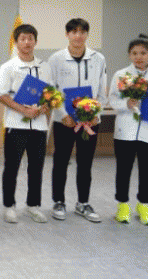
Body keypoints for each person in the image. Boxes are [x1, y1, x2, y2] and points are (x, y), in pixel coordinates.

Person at [48, 18, 107, 223]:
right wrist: (62, 114)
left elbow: (101, 90)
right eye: (74, 32)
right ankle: (58, 201)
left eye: (82, 32)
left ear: (87, 35)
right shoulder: (56, 59)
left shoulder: (98, 58)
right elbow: (51, 90)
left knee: (85, 163)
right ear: (67, 34)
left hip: (90, 122)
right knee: (60, 162)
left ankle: (83, 203)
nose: (78, 36)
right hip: (65, 121)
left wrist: (95, 114)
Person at [0, 24, 51, 224]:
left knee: (36, 168)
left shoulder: (45, 66)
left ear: (35, 41)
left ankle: (33, 205)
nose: (27, 42)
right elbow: (0, 94)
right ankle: (9, 206)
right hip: (15, 125)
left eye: (30, 38)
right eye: (23, 39)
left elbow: (50, 93)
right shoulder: (8, 66)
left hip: (39, 126)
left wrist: (45, 107)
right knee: (12, 167)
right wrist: (23, 110)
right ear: (16, 42)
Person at [108, 34, 148, 225]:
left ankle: (143, 206)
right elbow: (112, 99)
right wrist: (127, 104)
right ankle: (123, 205)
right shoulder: (121, 75)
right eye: (134, 53)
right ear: (129, 55)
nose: (138, 57)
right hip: (126, 131)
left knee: (147, 172)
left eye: (143, 53)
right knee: (123, 170)